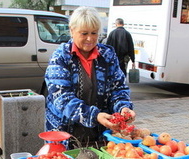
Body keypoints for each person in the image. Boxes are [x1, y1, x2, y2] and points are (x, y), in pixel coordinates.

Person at [44, 6, 135, 148]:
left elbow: (118, 89)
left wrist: (123, 107)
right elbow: (61, 98)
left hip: (100, 133)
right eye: (84, 33)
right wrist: (94, 115)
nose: (90, 38)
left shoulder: (107, 55)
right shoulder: (61, 57)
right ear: (72, 30)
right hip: (64, 132)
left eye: (94, 33)